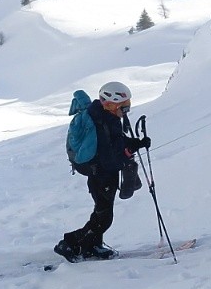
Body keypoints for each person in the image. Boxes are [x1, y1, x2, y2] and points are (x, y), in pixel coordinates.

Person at [54, 81, 150, 262]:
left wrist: (134, 143)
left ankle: (92, 246)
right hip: (100, 175)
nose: (126, 111)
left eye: (128, 105)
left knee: (101, 213)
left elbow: (117, 142)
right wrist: (129, 152)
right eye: (123, 106)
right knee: (104, 218)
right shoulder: (101, 123)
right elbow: (109, 159)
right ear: (110, 104)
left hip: (103, 174)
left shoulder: (106, 117)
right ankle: (69, 243)